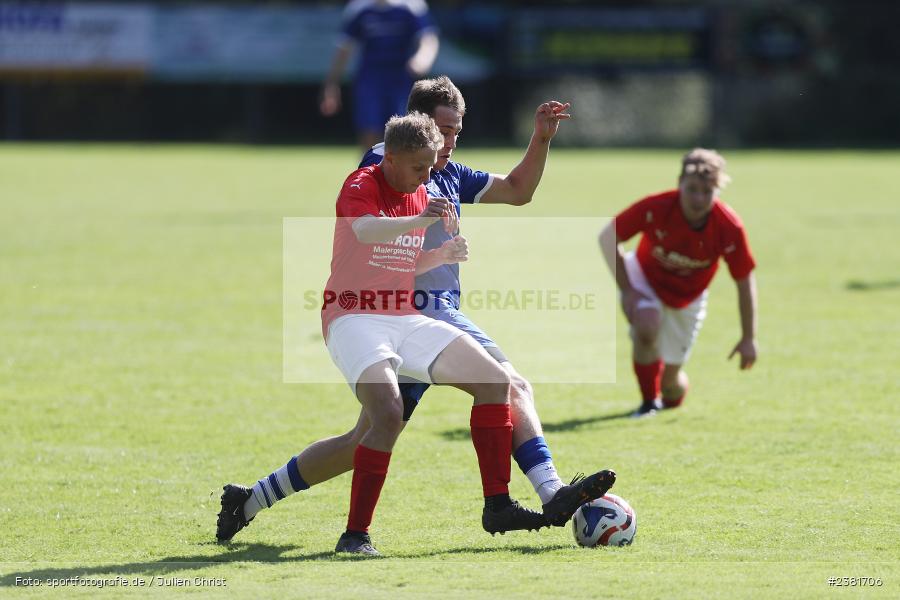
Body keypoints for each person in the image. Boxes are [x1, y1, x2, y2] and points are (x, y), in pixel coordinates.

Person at [218, 113, 547, 556]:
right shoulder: (362, 184)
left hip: (403, 316)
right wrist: (418, 223)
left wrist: (442, 254)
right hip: (352, 317)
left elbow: (398, 263)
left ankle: (498, 505)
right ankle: (355, 536)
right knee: (386, 414)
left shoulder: (417, 191)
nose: (428, 177)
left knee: (495, 382)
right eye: (419, 169)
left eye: (432, 168)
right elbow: (366, 230)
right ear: (390, 158)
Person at [598, 149, 758, 417]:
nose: (698, 198)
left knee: (670, 385)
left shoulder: (728, 227)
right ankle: (648, 404)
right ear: (679, 183)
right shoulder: (657, 207)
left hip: (688, 298)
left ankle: (668, 395)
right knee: (646, 325)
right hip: (644, 278)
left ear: (717, 192)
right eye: (692, 189)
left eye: (707, 192)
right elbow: (607, 236)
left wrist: (748, 338)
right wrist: (628, 291)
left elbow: (744, 281)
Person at [320, 0, 439, 150]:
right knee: (369, 130)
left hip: (401, 79)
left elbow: (428, 38)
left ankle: (399, 172)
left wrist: (422, 58)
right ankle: (370, 169)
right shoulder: (359, 8)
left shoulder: (411, 6)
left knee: (402, 131)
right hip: (370, 78)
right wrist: (331, 84)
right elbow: (344, 48)